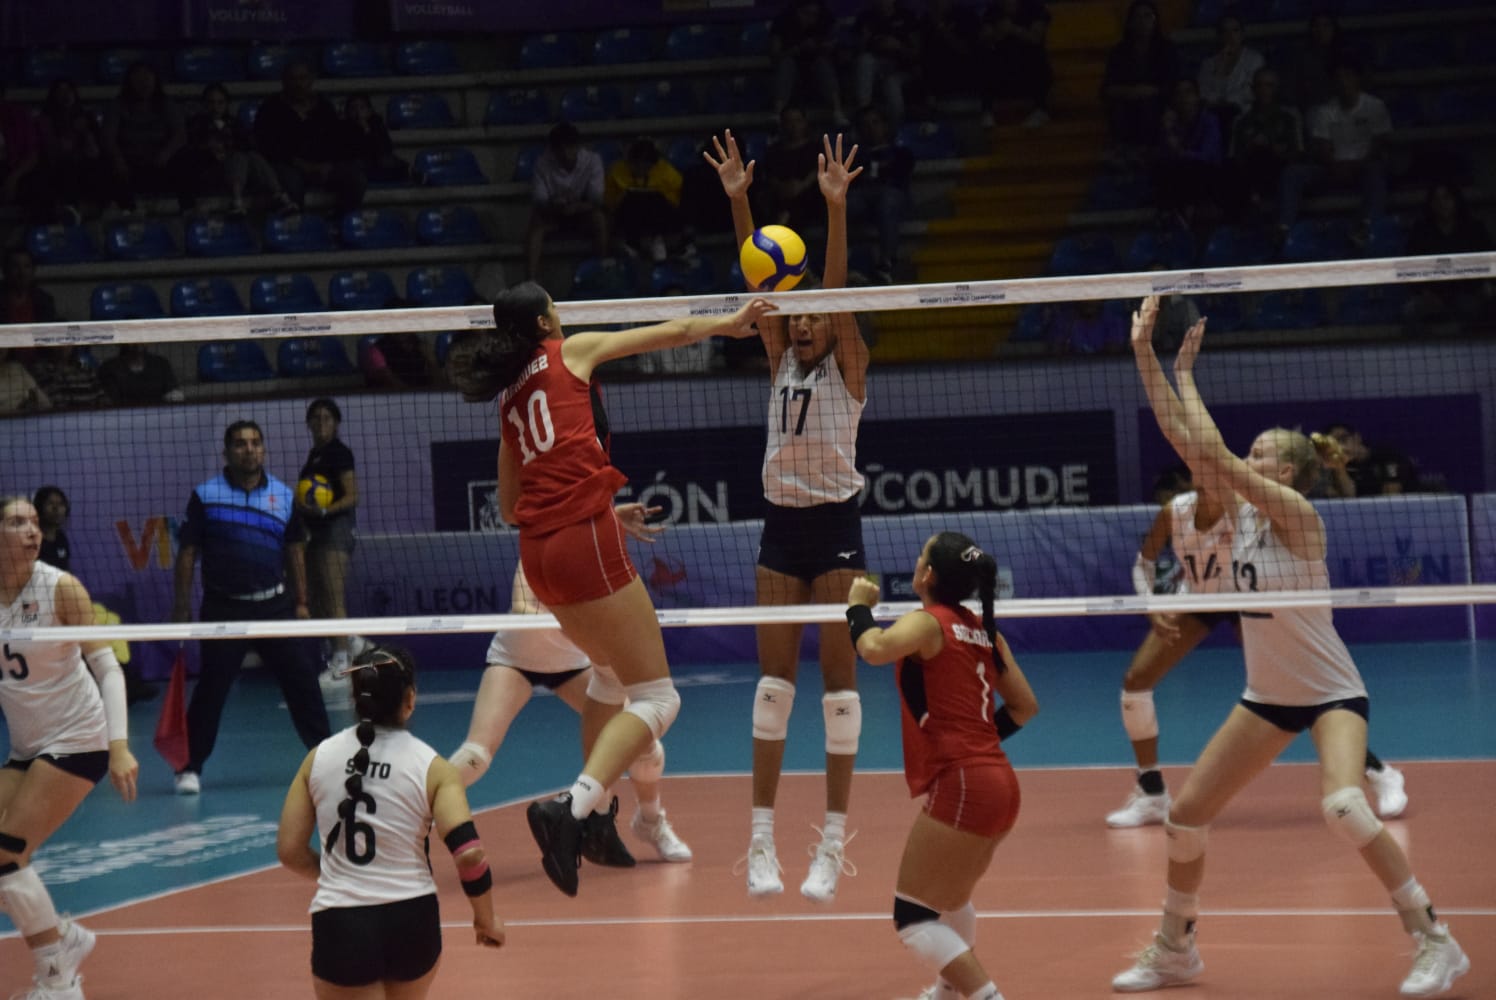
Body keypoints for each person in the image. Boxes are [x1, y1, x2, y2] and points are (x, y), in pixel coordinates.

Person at [1113, 297, 1469, 996]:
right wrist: (1145, 358)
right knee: (1184, 819)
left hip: (1332, 690)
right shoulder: (1242, 513)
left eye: (1266, 453)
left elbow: (1206, 448)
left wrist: (1184, 374)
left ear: (1293, 472)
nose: (1252, 456)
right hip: (1267, 697)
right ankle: (1176, 949)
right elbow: (1188, 442)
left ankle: (1435, 939)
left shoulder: (1300, 518)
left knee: (1343, 805)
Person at [445, 282, 775, 897]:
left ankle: (597, 820)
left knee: (606, 675)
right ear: (546, 319)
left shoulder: (509, 400)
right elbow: (673, 333)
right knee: (657, 699)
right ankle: (573, 806)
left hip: (538, 556)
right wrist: (732, 323)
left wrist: (594, 505)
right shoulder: (570, 352)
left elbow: (514, 506)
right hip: (579, 542)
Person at [708, 129, 870, 902]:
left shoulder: (849, 366)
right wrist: (740, 201)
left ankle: (833, 845)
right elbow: (757, 284)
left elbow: (832, 297)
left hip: (837, 531)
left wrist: (835, 209)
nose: (801, 325)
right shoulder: (776, 359)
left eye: (813, 317)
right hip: (780, 529)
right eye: (794, 318)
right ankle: (761, 842)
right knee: (774, 687)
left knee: (839, 688)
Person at [1107, 421, 1407, 827]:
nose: (1205, 469)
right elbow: (1143, 562)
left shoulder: (1246, 509)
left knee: (1291, 694)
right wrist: (1150, 605)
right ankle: (1151, 791)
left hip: (1250, 599)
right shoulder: (1175, 512)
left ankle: (1379, 772)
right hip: (1199, 600)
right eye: (1197, 466)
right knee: (1135, 680)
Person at [845, 532, 1039, 1000]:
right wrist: (978, 742)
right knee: (950, 901)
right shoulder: (985, 631)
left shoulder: (928, 623)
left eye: (920, 558)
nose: (915, 563)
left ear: (928, 575)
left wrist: (857, 606)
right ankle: (950, 992)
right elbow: (1024, 706)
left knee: (912, 917)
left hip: (967, 782)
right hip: (999, 782)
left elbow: (872, 649)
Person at [276, 645, 504, 999]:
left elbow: (290, 851)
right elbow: (470, 854)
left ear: (355, 699)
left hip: (342, 921)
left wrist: (340, 875)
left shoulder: (316, 759)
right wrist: (485, 918)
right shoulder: (434, 768)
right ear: (409, 699)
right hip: (412, 919)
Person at [449, 563, 693, 864]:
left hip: (574, 664)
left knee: (645, 744)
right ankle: (407, 812)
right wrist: (576, 618)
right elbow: (524, 608)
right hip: (514, 659)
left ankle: (650, 821)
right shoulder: (533, 558)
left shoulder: (595, 561)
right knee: (475, 756)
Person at [0, 495, 139, 1000]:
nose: (32, 530)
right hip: (28, 746)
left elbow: (106, 665)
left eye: (35, 522)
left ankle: (58, 982)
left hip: (78, 740)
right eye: (17, 522)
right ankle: (65, 940)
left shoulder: (61, 588)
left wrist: (118, 746)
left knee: (5, 854)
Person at [171, 421, 332, 796]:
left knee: (303, 684)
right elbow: (188, 552)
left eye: (256, 443)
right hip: (223, 608)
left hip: (275, 606)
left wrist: (303, 602)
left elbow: (294, 550)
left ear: (264, 450)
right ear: (227, 452)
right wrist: (180, 608)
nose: (249, 449)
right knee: (212, 689)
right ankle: (189, 768)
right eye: (241, 444)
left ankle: (328, 761)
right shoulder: (205, 496)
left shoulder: (283, 495)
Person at [1277, 57, 1391, 236]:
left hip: (1364, 167)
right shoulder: (1325, 111)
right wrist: (1335, 165)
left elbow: (1379, 143)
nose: (1343, 81)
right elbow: (1323, 147)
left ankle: (1367, 227)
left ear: (1357, 78)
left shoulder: (1375, 107)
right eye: (1339, 77)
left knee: (1377, 172)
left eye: (1348, 76)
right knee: (1293, 173)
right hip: (1332, 168)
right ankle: (1284, 228)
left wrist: (1357, 164)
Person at [298, 398, 359, 681]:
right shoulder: (314, 455)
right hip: (316, 532)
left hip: (335, 529)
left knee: (334, 596)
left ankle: (342, 661)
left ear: (336, 423)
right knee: (318, 598)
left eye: (327, 418)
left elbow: (351, 496)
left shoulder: (339, 453)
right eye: (316, 418)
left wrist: (324, 510)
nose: (321, 423)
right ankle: (352, 644)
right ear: (309, 423)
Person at [253, 62, 367, 214]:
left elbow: (337, 139)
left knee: (355, 178)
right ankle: (298, 229)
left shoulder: (324, 106)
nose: (298, 84)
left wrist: (329, 164)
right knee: (292, 183)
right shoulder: (271, 107)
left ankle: (341, 222)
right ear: (284, 81)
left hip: (322, 166)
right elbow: (267, 145)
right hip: (289, 164)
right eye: (293, 79)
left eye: (303, 78)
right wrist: (301, 164)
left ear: (311, 80)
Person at [100, 61, 190, 213]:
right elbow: (108, 137)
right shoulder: (117, 105)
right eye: (138, 80)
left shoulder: (166, 104)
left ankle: (188, 207)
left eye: (147, 79)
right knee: (105, 163)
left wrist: (166, 153)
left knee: (185, 157)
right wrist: (118, 158)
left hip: (160, 160)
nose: (144, 84)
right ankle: (127, 210)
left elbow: (180, 134)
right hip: (130, 161)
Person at [525, 121, 608, 281]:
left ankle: (602, 269)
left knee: (600, 219)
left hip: (583, 211)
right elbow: (540, 199)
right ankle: (531, 280)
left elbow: (597, 198)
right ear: (553, 150)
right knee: (535, 226)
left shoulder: (592, 161)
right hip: (554, 213)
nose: (565, 153)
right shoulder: (542, 164)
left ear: (577, 146)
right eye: (560, 149)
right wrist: (557, 205)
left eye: (569, 147)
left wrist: (578, 207)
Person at [605, 137, 684, 262]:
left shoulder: (667, 173)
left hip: (657, 217)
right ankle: (629, 244)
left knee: (656, 201)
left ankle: (657, 240)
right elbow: (610, 203)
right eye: (637, 164)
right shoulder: (617, 171)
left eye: (645, 165)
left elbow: (675, 202)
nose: (641, 169)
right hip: (629, 217)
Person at [1195, 14, 1263, 126]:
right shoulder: (1208, 63)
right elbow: (1203, 93)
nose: (1230, 36)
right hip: (1214, 115)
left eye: (1235, 30)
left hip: (1244, 115)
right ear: (1219, 36)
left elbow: (1249, 91)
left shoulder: (1254, 59)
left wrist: (1225, 101)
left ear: (1242, 34)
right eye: (1225, 31)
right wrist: (1220, 67)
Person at [97, 344, 184, 406]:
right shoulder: (109, 367)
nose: (137, 344)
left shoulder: (160, 363)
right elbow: (110, 399)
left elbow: (173, 391)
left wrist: (175, 395)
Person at [32, 486, 71, 573]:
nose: (56, 508)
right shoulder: (31, 539)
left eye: (61, 504)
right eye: (50, 503)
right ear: (39, 508)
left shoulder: (61, 538)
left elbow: (65, 570)